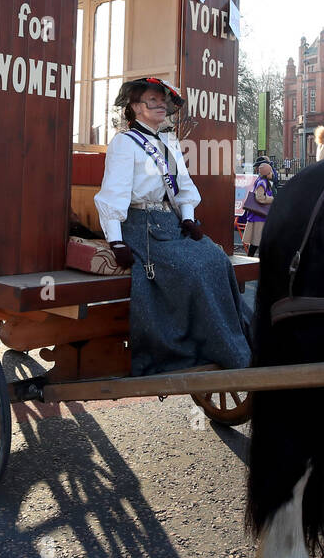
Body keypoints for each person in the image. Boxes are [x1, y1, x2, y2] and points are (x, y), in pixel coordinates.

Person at [94, 76, 251, 377]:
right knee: (192, 269)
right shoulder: (124, 144)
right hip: (140, 227)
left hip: (172, 223)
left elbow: (184, 188)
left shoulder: (169, 142)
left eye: (162, 100)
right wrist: (115, 241)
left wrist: (189, 217)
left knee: (217, 260)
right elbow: (113, 194)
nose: (160, 105)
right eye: (152, 100)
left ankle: (237, 341)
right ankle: (205, 349)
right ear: (135, 107)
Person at [241, 158, 275, 257]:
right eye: (271, 171)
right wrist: (272, 199)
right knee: (257, 241)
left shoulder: (262, 181)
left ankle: (252, 259)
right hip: (259, 216)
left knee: (257, 241)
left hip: (258, 215)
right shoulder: (263, 183)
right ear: (267, 173)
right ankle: (251, 260)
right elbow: (259, 198)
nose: (272, 173)